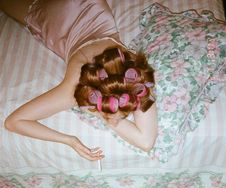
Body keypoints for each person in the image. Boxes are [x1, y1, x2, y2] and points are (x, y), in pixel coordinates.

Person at [1, 0, 158, 161]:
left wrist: (103, 116)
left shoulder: (131, 70)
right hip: (55, 17)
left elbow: (146, 142)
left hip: (91, 6)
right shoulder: (72, 89)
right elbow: (13, 122)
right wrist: (69, 140)